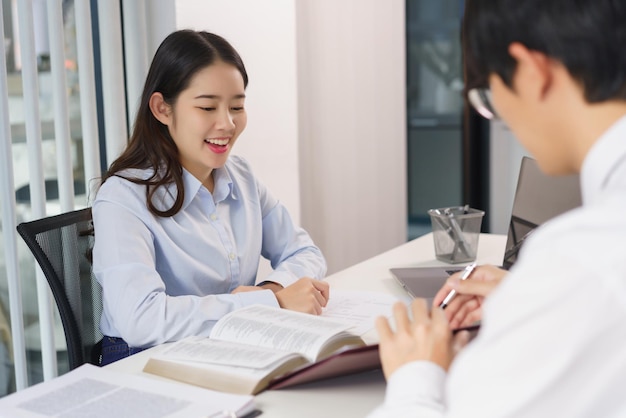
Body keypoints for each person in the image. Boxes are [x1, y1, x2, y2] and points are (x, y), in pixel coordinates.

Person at [369, 0, 626, 416]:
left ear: (529, 72)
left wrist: (417, 372)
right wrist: (530, 300)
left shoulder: (581, 257)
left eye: (488, 94)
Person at [92, 30, 329, 366]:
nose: (227, 123)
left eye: (237, 106)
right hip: (145, 359)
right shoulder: (122, 197)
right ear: (162, 108)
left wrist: (273, 290)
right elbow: (140, 318)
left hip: (227, 346)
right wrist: (268, 304)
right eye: (207, 107)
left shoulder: (242, 178)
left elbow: (304, 251)